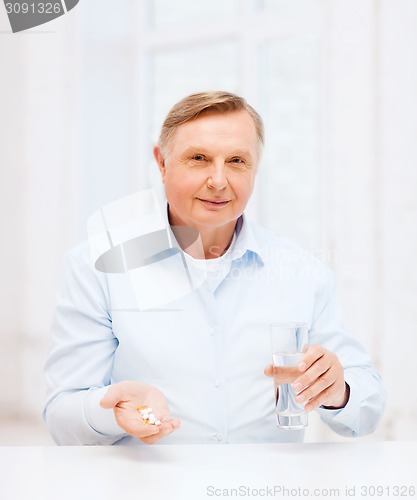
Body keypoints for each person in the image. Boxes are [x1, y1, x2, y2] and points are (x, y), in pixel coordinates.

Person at [43, 91, 385, 445]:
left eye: (237, 160)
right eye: (199, 158)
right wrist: (111, 413)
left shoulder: (302, 272)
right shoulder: (96, 267)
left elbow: (367, 408)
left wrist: (338, 391)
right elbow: (61, 416)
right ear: (161, 163)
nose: (219, 181)